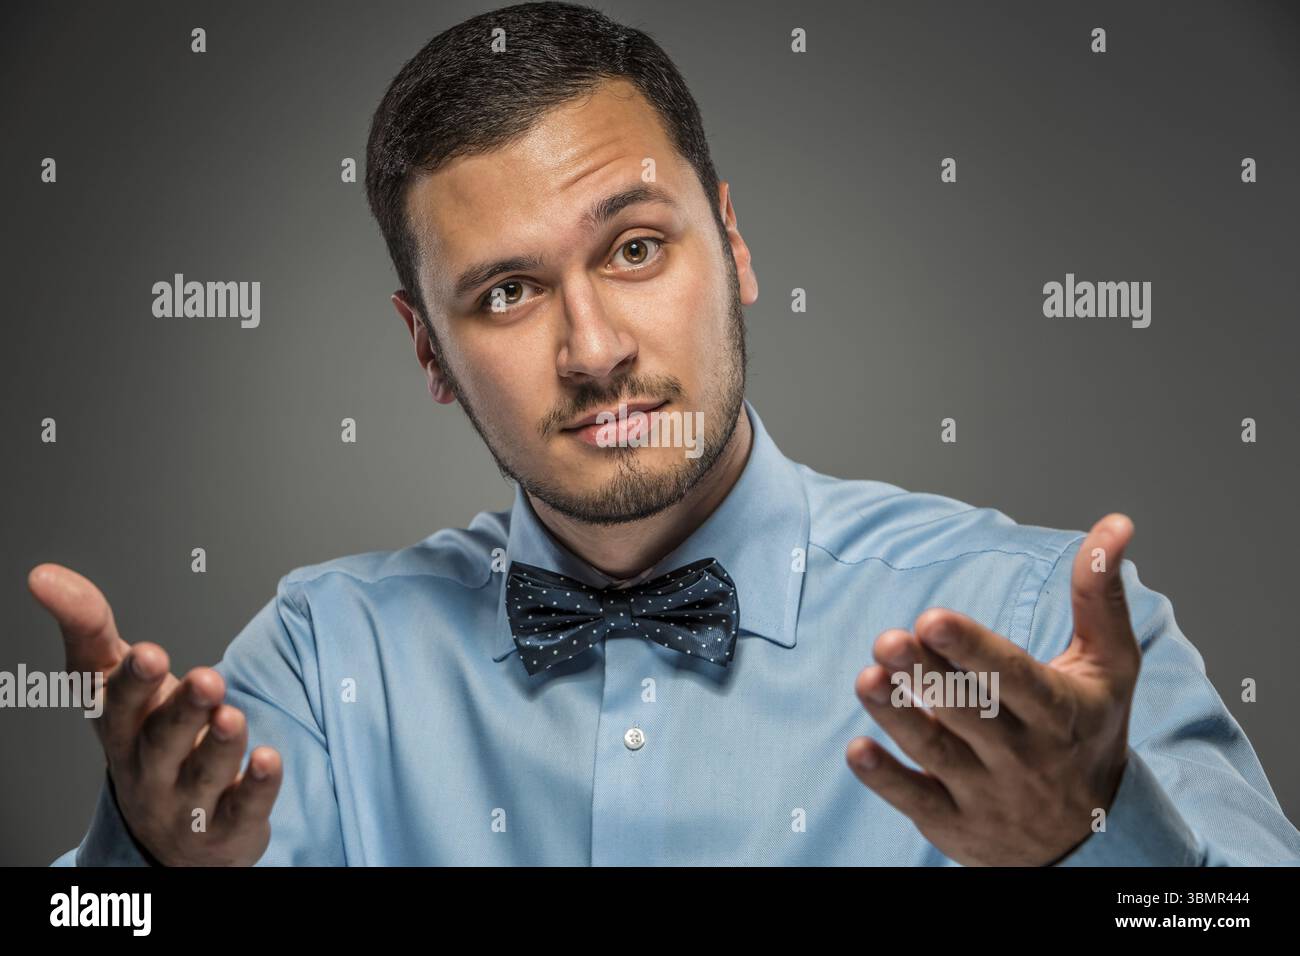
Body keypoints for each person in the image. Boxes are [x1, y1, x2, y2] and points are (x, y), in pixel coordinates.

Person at [36, 1, 1300, 866]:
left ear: (735, 245)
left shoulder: (1042, 625)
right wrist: (140, 873)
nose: (593, 349)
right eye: (507, 292)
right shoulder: (318, 661)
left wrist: (1092, 828)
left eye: (636, 250)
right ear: (427, 349)